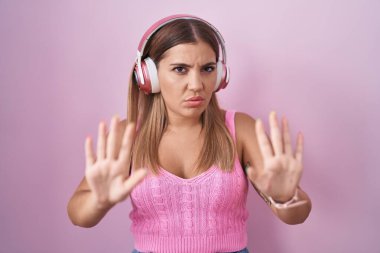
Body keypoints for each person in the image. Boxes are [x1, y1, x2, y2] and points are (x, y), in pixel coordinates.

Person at [67, 14, 312, 253]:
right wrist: (99, 202)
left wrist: (285, 198)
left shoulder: (241, 129)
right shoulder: (127, 136)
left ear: (220, 75)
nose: (196, 84)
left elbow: (297, 214)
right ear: (149, 76)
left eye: (207, 68)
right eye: (180, 69)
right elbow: (78, 215)